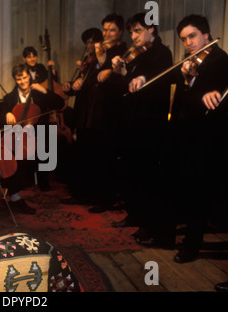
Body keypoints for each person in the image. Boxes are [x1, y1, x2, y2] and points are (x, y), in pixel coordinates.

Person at [136, 15, 228, 263]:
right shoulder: (189, 62)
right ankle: (164, 236)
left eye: (192, 36)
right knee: (171, 186)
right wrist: (145, 78)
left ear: (206, 35)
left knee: (198, 194)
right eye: (184, 39)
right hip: (179, 135)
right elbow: (166, 80)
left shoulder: (221, 60)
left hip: (204, 139)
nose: (188, 42)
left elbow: (217, 94)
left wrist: (210, 91)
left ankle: (191, 246)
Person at [110, 13, 173, 235]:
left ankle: (147, 222)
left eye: (138, 30)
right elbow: (128, 88)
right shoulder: (134, 55)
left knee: (146, 174)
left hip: (150, 123)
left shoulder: (162, 52)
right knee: (131, 171)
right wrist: (123, 73)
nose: (134, 36)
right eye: (132, 31)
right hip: (132, 120)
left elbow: (161, 76)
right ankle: (134, 214)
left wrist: (143, 78)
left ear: (151, 30)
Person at [61, 14, 127, 213]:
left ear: (120, 32)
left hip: (105, 112)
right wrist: (76, 82)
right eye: (105, 29)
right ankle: (83, 194)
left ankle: (104, 198)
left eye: (112, 30)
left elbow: (108, 80)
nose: (107, 34)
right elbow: (91, 80)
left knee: (102, 157)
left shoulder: (122, 51)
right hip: (87, 111)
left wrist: (100, 61)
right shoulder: (98, 52)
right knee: (85, 155)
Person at [2, 64, 64, 209]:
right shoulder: (9, 98)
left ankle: (42, 180)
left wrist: (44, 90)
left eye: (24, 77)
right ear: (15, 80)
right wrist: (7, 113)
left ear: (29, 76)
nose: (23, 82)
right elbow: (2, 109)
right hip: (19, 134)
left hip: (38, 131)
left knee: (46, 138)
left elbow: (59, 103)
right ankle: (18, 185)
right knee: (10, 149)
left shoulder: (39, 93)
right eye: (19, 79)